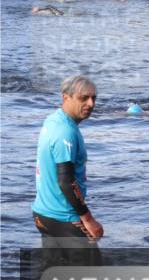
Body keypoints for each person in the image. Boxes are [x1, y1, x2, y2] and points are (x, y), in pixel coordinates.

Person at [31, 76, 103, 265]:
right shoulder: (66, 132)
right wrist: (88, 219)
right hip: (64, 218)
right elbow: (66, 181)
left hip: (43, 215)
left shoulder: (53, 120)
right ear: (66, 97)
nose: (90, 104)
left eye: (93, 98)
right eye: (83, 98)